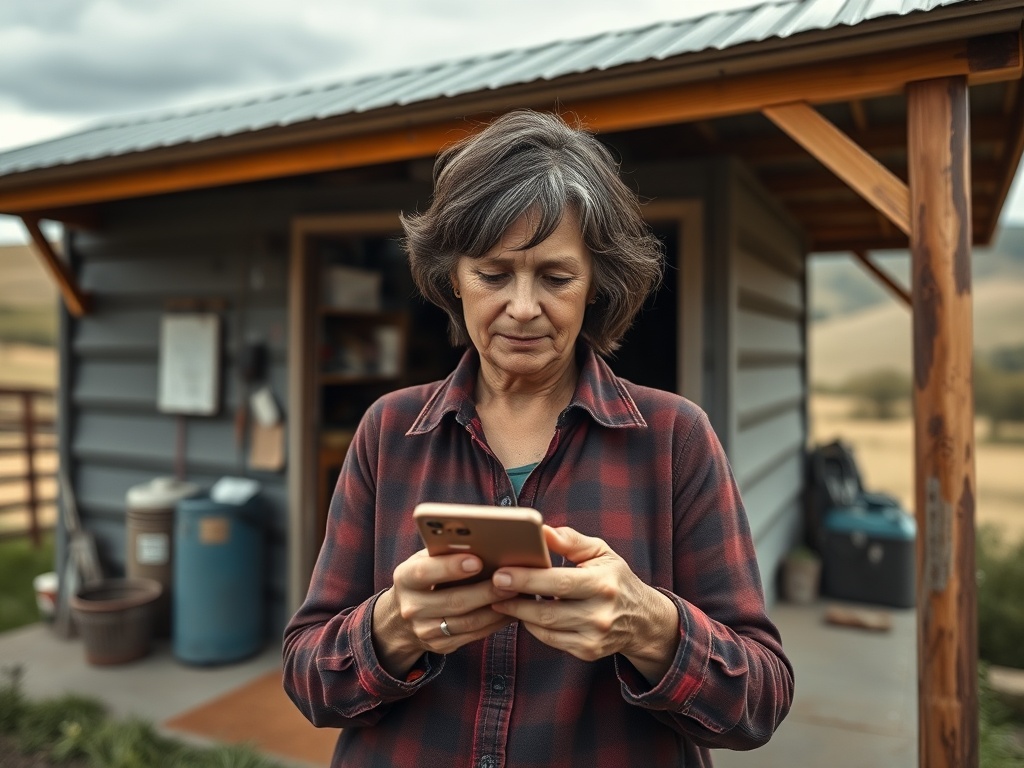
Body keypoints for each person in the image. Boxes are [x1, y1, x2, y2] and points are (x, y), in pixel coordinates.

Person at [282, 109, 793, 767]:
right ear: (453, 278)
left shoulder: (674, 439)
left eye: (555, 277)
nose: (523, 307)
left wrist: (650, 624)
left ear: (596, 285)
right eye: (494, 274)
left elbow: (760, 701)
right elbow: (307, 676)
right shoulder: (388, 431)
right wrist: (390, 629)